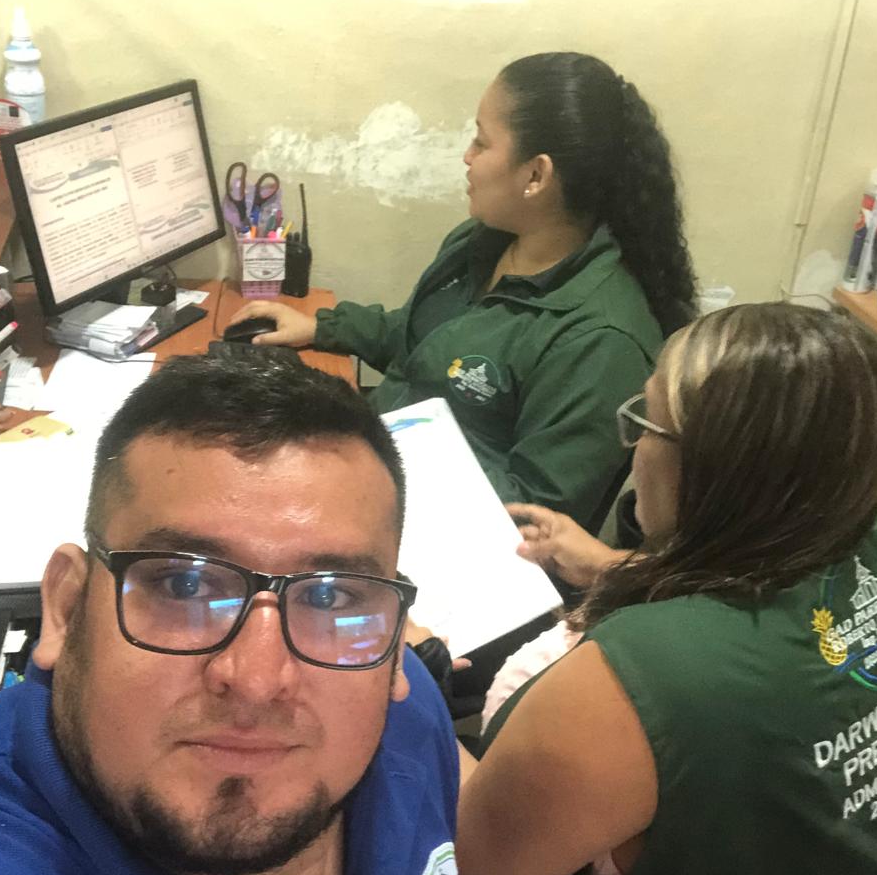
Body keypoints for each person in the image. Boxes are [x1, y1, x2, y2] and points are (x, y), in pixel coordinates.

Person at [0, 352, 479, 875]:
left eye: (329, 597)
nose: (256, 678)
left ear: (394, 636)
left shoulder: (395, 706)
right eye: (185, 585)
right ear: (66, 608)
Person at [456, 303, 877, 875]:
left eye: (645, 422)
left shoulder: (636, 678)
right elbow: (775, 601)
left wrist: (398, 674)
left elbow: (471, 869)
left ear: (712, 469)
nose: (634, 448)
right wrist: (611, 565)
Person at [231, 51, 695, 530]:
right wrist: (322, 327)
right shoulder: (483, 242)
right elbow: (419, 340)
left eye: (481, 141)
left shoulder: (601, 339)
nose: (467, 157)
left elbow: (536, 515)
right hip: (377, 475)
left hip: (444, 531)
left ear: (536, 175)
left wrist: (378, 459)